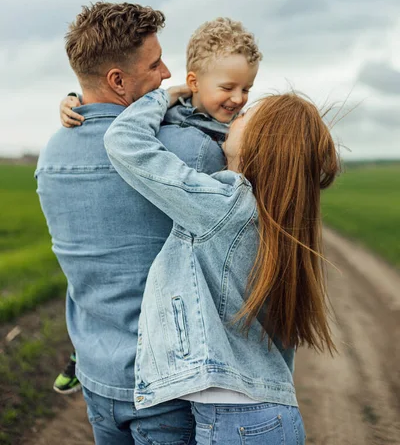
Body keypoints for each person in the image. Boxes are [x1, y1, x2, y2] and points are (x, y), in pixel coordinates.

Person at [36, 7, 261, 443]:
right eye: (155, 64)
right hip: (167, 382)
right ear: (118, 80)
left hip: (97, 376)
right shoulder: (188, 149)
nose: (167, 73)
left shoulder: (51, 155)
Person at [104, 87, 339, 444]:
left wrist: (166, 96)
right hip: (272, 414)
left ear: (261, 143)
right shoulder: (277, 222)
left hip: (239, 423)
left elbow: (124, 141)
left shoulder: (224, 206)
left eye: (247, 116)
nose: (237, 112)